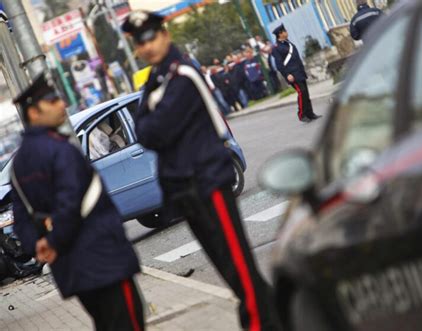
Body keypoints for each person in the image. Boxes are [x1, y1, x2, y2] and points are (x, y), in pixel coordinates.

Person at [122, 11, 281, 331]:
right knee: (226, 267)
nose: (148, 46)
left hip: (207, 181)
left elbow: (158, 131)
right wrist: (152, 121)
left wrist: (152, 120)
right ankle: (276, 317)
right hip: (185, 188)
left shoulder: (182, 75)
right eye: (141, 42)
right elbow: (143, 130)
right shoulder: (157, 79)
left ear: (164, 34)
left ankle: (262, 323)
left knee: (239, 265)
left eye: (152, 36)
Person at [10, 72, 144, 331]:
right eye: (52, 101)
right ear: (34, 113)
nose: (62, 104)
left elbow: (21, 217)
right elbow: (70, 203)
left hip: (70, 268)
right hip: (104, 259)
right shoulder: (60, 150)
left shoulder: (19, 164)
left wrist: (38, 246)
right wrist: (51, 241)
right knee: (129, 323)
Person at [271, 24, 321, 122]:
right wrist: (287, 75)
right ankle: (301, 114)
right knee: (301, 92)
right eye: (285, 31)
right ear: (280, 34)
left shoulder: (287, 43)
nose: (287, 32)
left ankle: (310, 113)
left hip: (299, 72)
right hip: (292, 75)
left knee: (305, 93)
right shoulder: (276, 48)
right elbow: (279, 64)